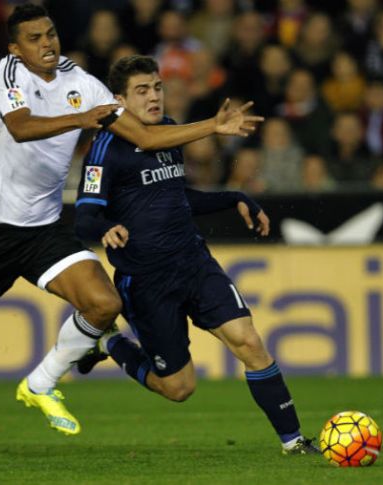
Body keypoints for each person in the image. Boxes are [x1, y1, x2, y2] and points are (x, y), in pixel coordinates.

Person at [0, 3, 263, 462]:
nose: (46, 44)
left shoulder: (84, 84)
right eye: (33, 38)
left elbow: (148, 138)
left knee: (104, 303)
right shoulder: (9, 74)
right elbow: (20, 128)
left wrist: (212, 126)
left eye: (50, 33)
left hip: (43, 232)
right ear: (16, 47)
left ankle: (41, 383)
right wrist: (79, 119)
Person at [73, 55, 319, 455]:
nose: (153, 97)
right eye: (142, 91)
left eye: (157, 87)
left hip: (193, 263)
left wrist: (235, 198)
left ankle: (293, 442)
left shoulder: (170, 133)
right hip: (147, 280)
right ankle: (109, 344)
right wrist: (104, 228)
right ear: (118, 99)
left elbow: (176, 199)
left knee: (249, 341)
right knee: (179, 387)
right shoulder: (105, 149)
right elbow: (84, 216)